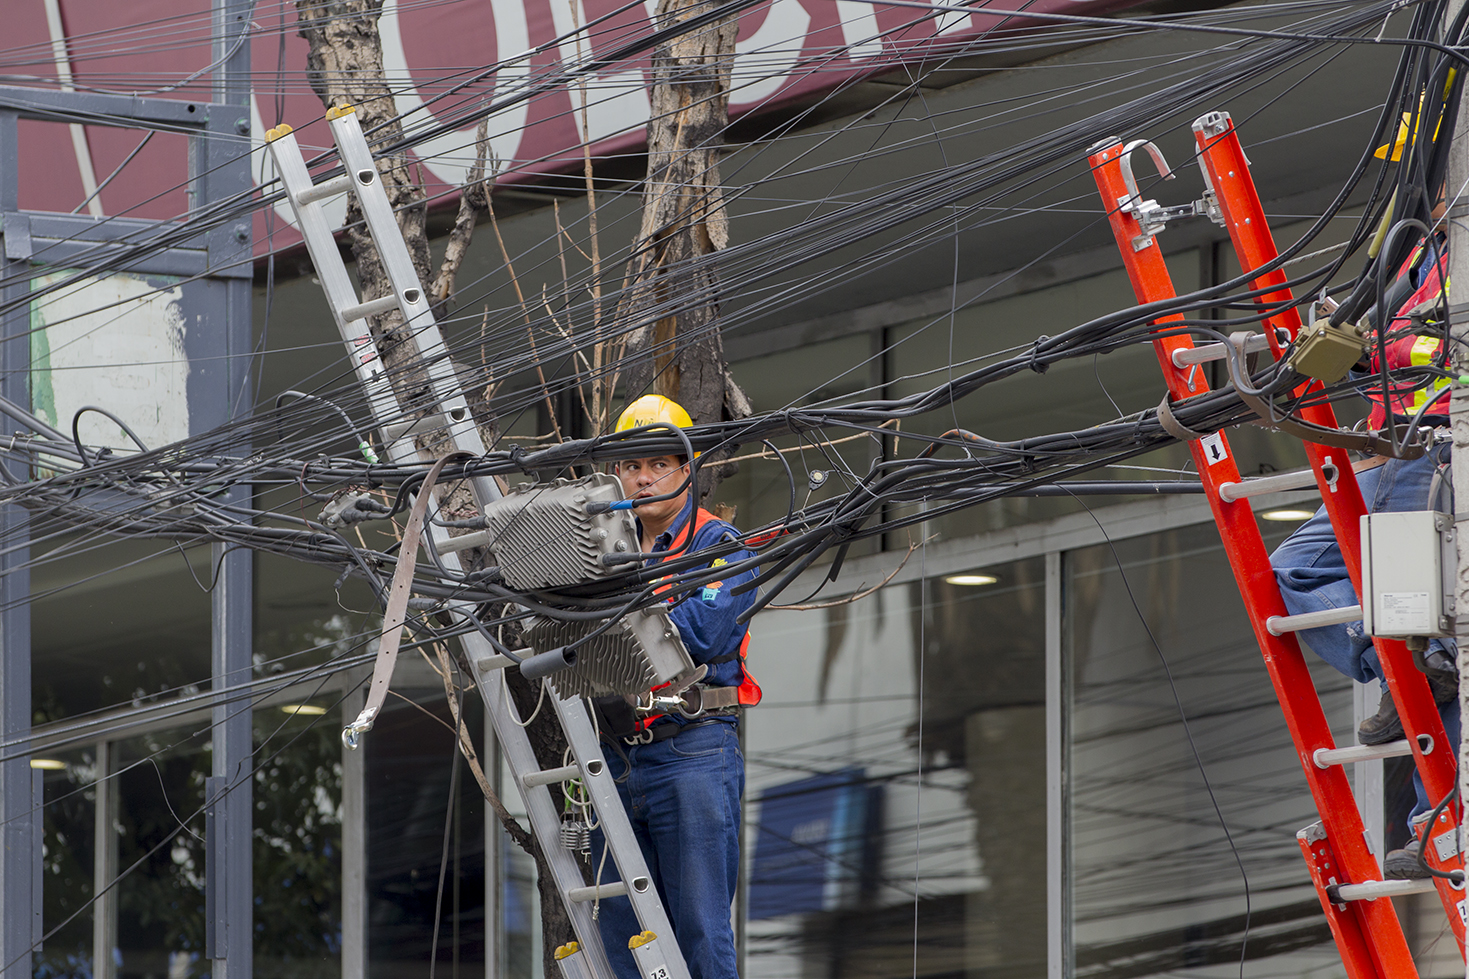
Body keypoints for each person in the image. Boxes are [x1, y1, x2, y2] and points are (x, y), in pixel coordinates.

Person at [1269, 209, 1456, 879]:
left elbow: (1434, 347)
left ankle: (1437, 823)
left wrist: (1370, 345)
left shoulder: (1456, 250)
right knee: (1289, 571)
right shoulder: (1410, 254)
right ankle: (1398, 661)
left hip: (1435, 450)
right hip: (1383, 448)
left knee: (1432, 631)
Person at [593, 394, 761, 979]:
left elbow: (697, 634)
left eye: (659, 464)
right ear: (617, 472)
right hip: (614, 756)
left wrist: (604, 628)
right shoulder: (600, 551)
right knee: (622, 938)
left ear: (687, 470)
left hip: (692, 750)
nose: (643, 478)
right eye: (633, 466)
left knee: (698, 931)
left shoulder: (721, 547)